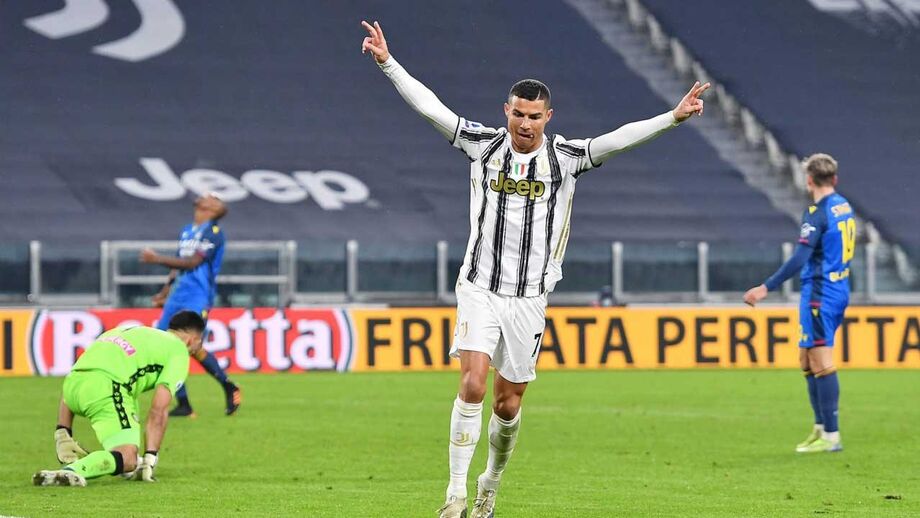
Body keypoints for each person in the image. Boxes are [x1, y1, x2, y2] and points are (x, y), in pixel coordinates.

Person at [361, 20, 709, 517]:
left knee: (507, 404)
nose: (525, 125)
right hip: (479, 287)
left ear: (548, 117)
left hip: (529, 297)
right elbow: (431, 108)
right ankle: (454, 496)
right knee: (472, 384)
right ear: (506, 111)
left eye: (534, 117)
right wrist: (388, 63)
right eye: (518, 114)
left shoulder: (566, 158)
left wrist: (672, 117)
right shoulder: (482, 145)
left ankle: (490, 482)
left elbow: (618, 140)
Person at [744, 153, 853, 454]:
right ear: (834, 178)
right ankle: (820, 428)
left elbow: (800, 257)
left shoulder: (817, 213)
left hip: (820, 292)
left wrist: (766, 287)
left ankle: (831, 435)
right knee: (806, 359)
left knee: (821, 361)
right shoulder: (844, 205)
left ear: (809, 181)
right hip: (837, 288)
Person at [32, 311, 206, 486]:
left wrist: (63, 431)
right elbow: (158, 410)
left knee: (126, 442)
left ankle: (116, 462)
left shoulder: (128, 331)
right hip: (106, 389)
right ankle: (73, 471)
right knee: (128, 458)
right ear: (191, 340)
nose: (196, 351)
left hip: (71, 387)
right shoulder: (178, 351)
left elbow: (83, 369)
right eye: (198, 345)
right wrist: (150, 458)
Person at [140, 192, 241, 417]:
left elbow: (193, 262)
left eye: (212, 197)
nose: (206, 195)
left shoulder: (213, 233)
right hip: (177, 296)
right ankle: (184, 404)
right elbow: (178, 266)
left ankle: (227, 385)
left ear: (214, 209)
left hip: (198, 296)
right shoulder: (187, 230)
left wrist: (157, 259)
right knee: (164, 346)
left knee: (189, 346)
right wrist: (165, 292)